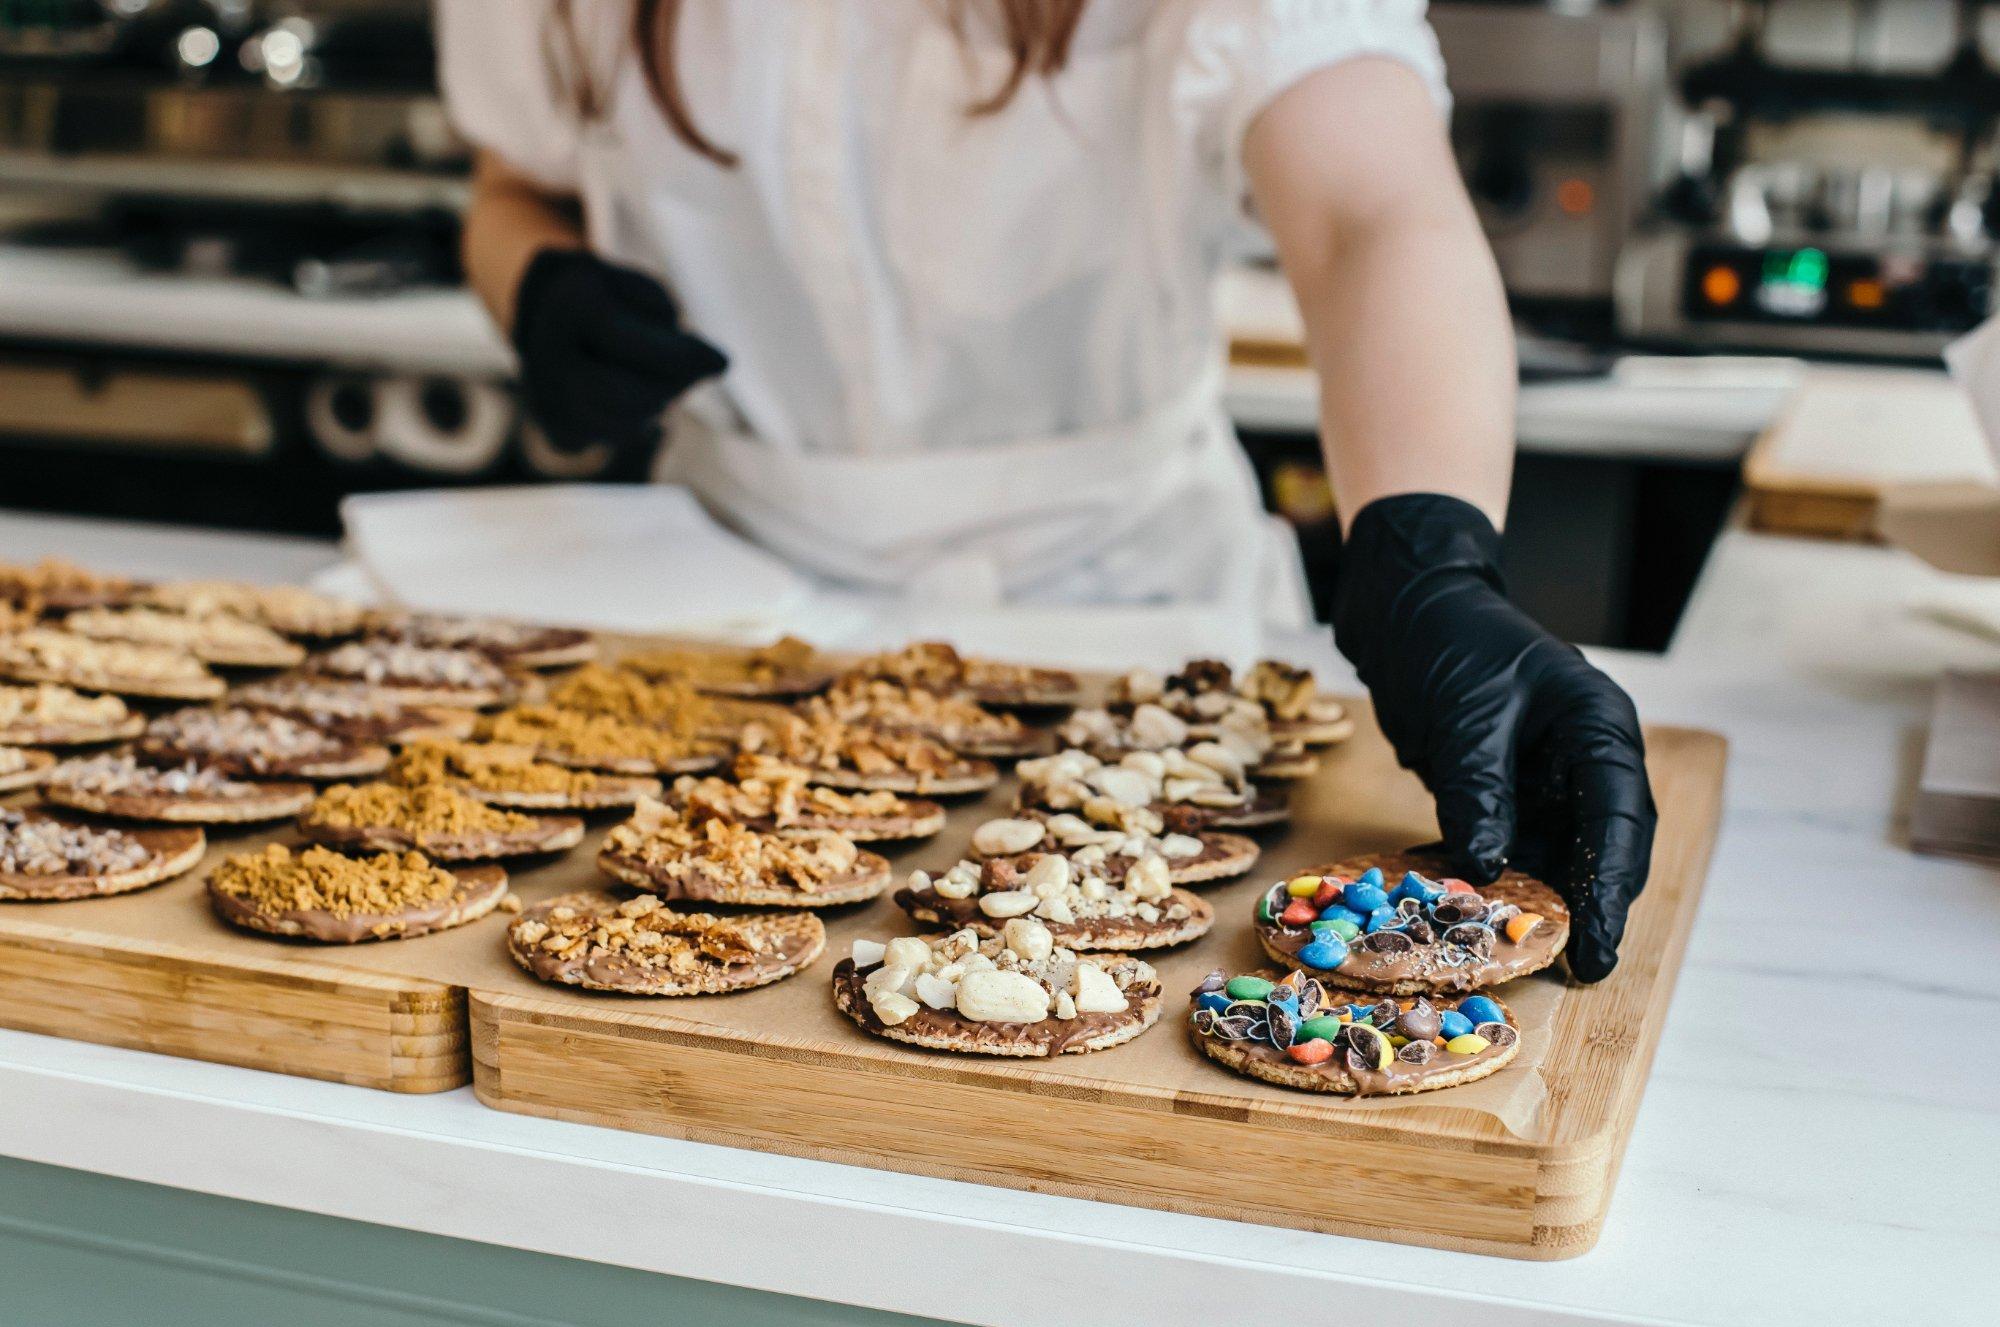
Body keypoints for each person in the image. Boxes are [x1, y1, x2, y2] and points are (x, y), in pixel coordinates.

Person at [435, 0, 1655, 981]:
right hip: (723, 611)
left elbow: (1369, 210)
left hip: (1126, 598)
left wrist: (1427, 549)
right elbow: (514, 183)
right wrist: (533, 283)